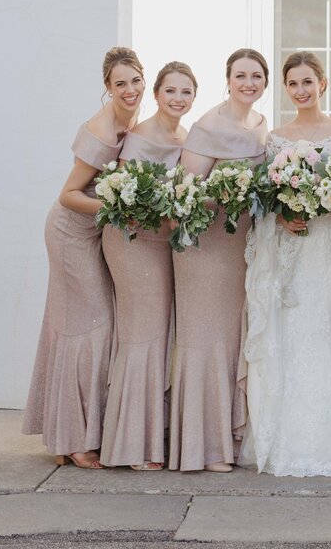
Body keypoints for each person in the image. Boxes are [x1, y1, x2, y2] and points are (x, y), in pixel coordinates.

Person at [23, 47, 145, 468]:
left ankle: (69, 433)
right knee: (91, 327)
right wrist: (117, 210)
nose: (129, 90)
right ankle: (75, 439)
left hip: (94, 235)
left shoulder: (133, 122)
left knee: (80, 327)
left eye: (134, 81)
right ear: (106, 89)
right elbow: (69, 195)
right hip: (70, 234)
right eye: (119, 84)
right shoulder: (101, 131)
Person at [240, 51, 331, 477]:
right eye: (294, 83)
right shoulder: (275, 138)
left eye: (309, 82)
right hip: (291, 246)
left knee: (328, 326)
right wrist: (284, 213)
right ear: (286, 88)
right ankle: (285, 435)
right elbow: (264, 199)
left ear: (322, 84)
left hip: (327, 244)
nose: (302, 90)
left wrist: (329, 200)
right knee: (291, 331)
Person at [168, 49, 269, 472]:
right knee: (205, 342)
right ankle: (202, 448)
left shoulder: (261, 125)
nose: (249, 83)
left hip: (241, 247)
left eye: (256, 76)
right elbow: (184, 195)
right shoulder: (208, 126)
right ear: (227, 80)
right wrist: (227, 193)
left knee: (230, 343)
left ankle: (227, 437)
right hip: (205, 248)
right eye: (240, 75)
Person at [99, 61, 197, 470]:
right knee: (143, 335)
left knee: (160, 334)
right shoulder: (140, 136)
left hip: (164, 243)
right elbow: (123, 200)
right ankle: (131, 446)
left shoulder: (187, 137)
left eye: (186, 92)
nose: (177, 99)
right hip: (132, 240)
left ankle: (149, 434)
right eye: (170, 91)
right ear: (156, 94)